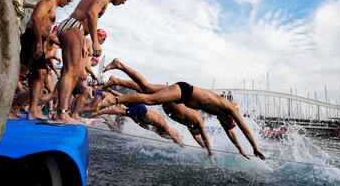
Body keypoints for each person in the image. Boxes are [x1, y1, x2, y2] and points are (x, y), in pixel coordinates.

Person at [99, 58, 265, 160]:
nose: (222, 124)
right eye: (226, 123)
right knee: (151, 99)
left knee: (147, 88)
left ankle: (118, 73)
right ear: (229, 118)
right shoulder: (228, 107)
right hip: (185, 90)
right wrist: (255, 147)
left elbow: (232, 135)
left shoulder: (222, 117)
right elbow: (244, 128)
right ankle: (114, 99)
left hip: (181, 97)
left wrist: (241, 150)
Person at [55, 0, 129, 124]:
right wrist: (95, 41)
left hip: (77, 30)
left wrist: (84, 41)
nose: (123, 3)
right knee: (71, 71)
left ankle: (63, 113)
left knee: (74, 73)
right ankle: (61, 114)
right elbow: (91, 13)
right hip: (73, 26)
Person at [103, 64, 214, 155]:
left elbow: (199, 139)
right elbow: (204, 137)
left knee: (146, 89)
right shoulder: (199, 122)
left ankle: (117, 81)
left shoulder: (192, 127)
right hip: (173, 96)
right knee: (147, 87)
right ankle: (118, 77)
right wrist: (210, 153)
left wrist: (203, 150)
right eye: (196, 133)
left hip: (169, 104)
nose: (195, 134)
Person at [19, 0, 72, 120]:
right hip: (32, 37)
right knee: (20, 72)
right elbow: (36, 19)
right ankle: (5, 105)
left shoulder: (53, 6)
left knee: (41, 74)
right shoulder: (49, 1)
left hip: (37, 39)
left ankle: (32, 110)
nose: (68, 3)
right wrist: (38, 43)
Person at [91, 89, 185, 147]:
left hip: (141, 113)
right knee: (121, 106)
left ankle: (103, 105)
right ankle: (100, 110)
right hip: (141, 112)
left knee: (122, 99)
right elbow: (173, 136)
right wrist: (182, 146)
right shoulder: (164, 127)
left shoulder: (160, 128)